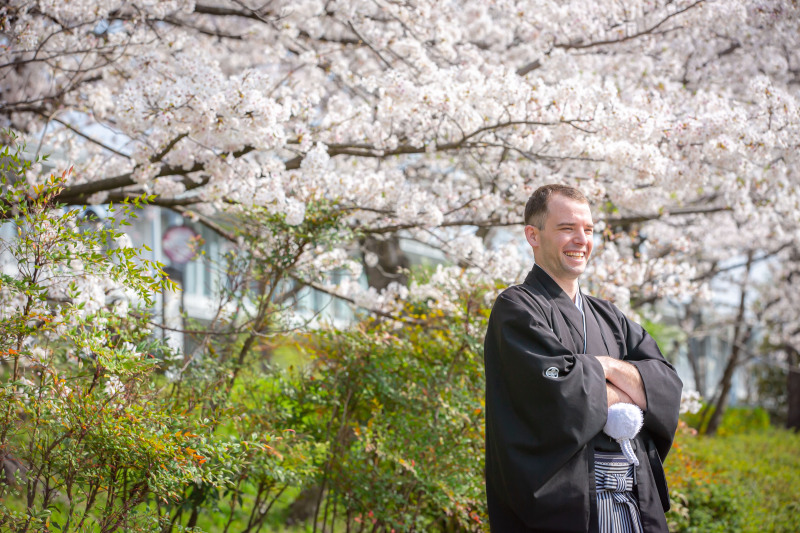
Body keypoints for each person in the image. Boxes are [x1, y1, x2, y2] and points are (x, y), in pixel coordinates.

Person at [483, 184, 682, 532]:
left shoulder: (610, 316)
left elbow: (666, 385)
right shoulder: (516, 308)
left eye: (587, 230)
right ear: (533, 234)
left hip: (633, 498)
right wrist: (622, 381)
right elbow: (560, 395)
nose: (581, 239)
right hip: (568, 507)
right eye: (566, 228)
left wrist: (596, 370)